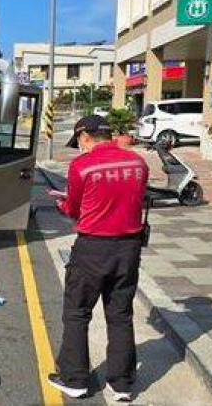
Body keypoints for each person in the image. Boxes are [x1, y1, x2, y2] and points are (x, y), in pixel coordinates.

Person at [46, 115, 149, 402]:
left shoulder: (82, 165)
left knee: (77, 312)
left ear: (84, 136)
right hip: (129, 248)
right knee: (120, 315)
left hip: (92, 249)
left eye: (79, 141)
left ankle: (75, 379)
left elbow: (74, 208)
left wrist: (62, 203)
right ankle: (122, 385)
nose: (80, 146)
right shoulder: (138, 163)